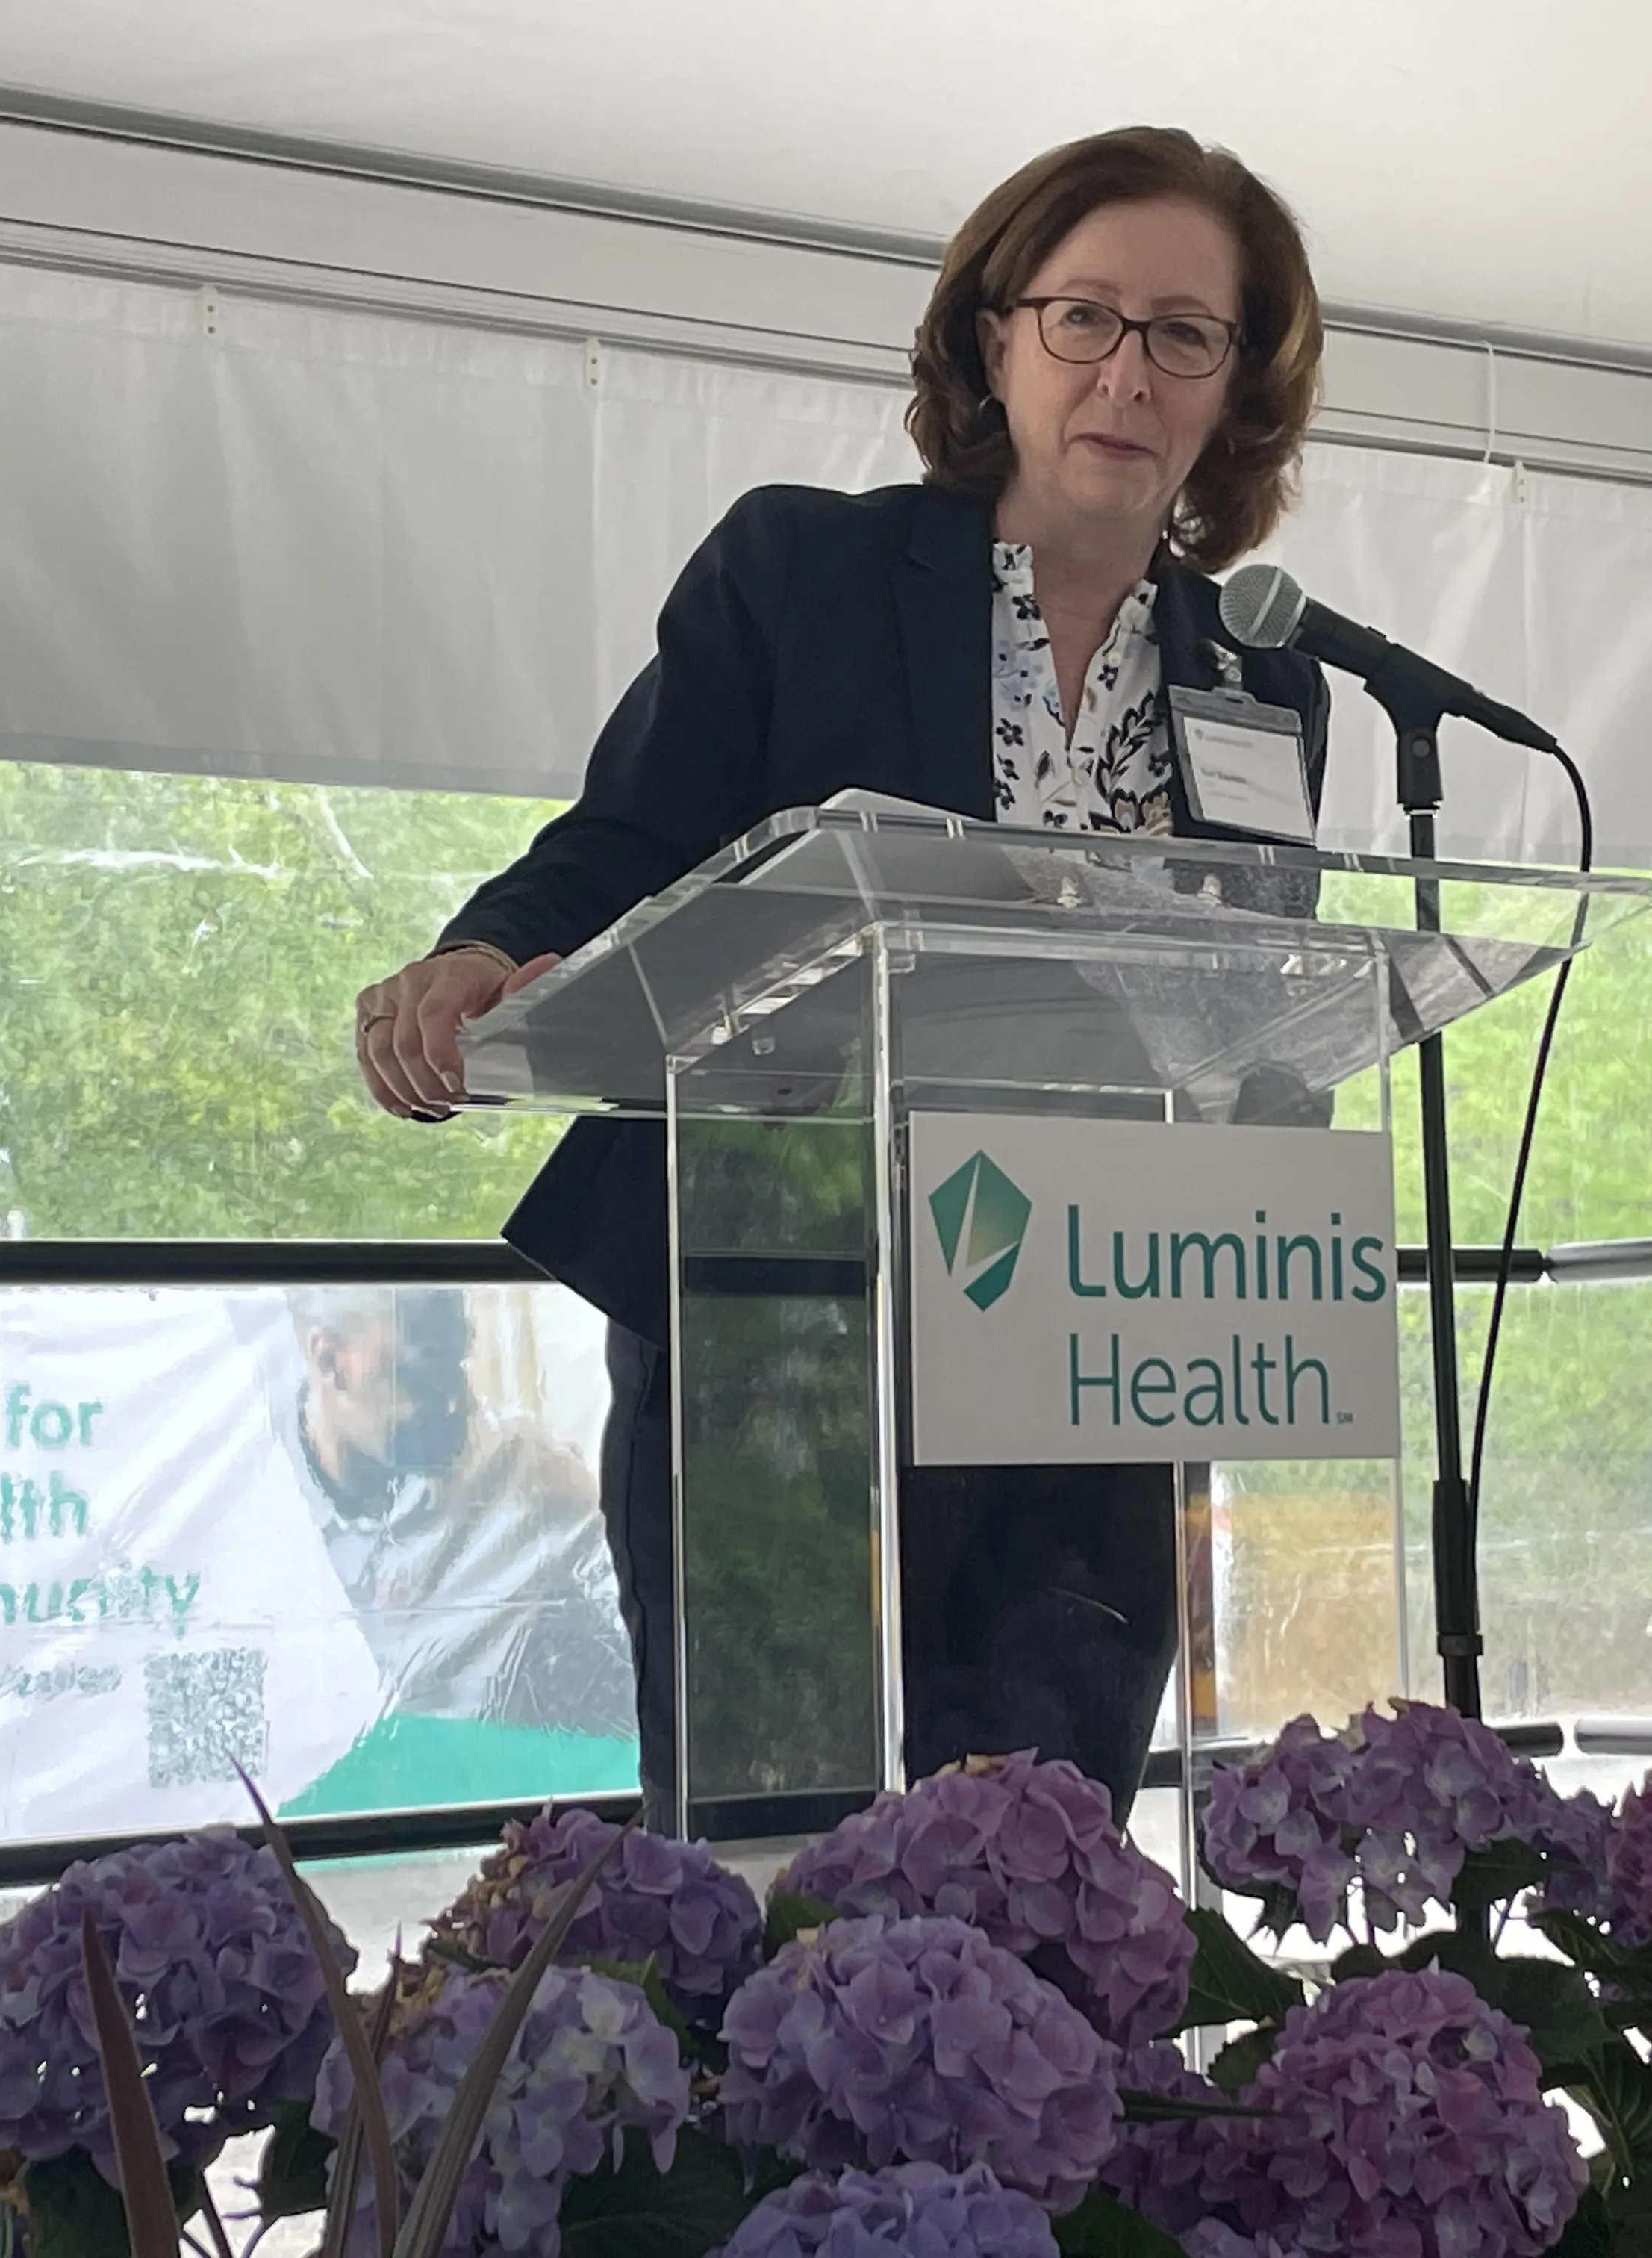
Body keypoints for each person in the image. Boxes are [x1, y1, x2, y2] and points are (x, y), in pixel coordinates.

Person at [351, 127, 1331, 1824]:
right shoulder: (804, 571)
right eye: (1084, 315)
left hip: (1099, 1338)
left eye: (1186, 332)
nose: (1126, 368)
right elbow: (630, 840)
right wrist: (485, 953)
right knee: (777, 1867)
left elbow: (1248, 1018)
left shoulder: (1259, 682)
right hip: (783, 1315)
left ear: (1235, 389)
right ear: (995, 339)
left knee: (1051, 1868)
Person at [279, 1284, 633, 1738]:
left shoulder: (521, 1473)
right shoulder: (258, 1505)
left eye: (457, 1367)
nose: (455, 1402)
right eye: (418, 1377)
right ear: (331, 1360)